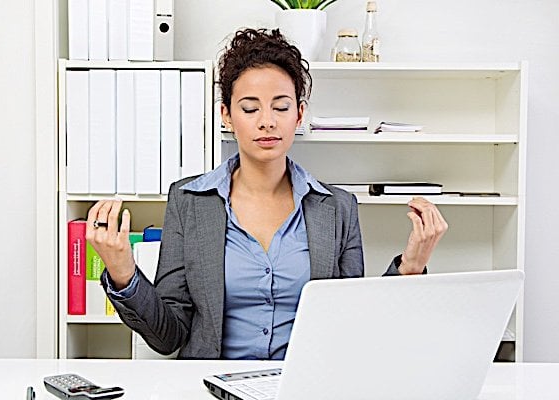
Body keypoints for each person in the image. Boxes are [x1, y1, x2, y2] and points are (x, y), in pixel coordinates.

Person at [86, 28, 448, 360]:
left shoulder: (337, 208)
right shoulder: (189, 201)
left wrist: (410, 266)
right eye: (249, 108)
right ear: (226, 115)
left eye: (281, 106)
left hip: (305, 385)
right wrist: (123, 273)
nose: (266, 121)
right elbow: (169, 337)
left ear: (300, 114)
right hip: (211, 386)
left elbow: (353, 326)